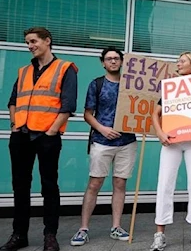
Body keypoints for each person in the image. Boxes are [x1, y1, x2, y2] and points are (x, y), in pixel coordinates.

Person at [0, 27, 78, 251]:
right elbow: (13, 100)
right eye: (27, 42)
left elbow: (68, 105)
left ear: (47, 41)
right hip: (21, 136)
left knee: (49, 186)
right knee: (20, 187)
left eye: (33, 41)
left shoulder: (65, 68)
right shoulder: (24, 71)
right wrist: (15, 125)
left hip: (47, 137)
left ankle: (50, 235)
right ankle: (19, 235)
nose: (29, 46)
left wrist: (51, 131)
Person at [149, 51, 191, 251]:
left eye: (182, 61)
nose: (178, 64)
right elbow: (155, 113)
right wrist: (160, 133)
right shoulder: (172, 87)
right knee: (164, 184)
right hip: (172, 141)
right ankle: (159, 234)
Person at [70, 47, 136, 246]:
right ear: (103, 62)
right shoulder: (96, 84)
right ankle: (83, 228)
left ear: (122, 61)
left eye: (116, 58)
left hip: (127, 142)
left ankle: (116, 227)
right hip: (102, 141)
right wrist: (103, 129)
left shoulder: (132, 85)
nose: (113, 61)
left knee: (120, 184)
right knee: (94, 184)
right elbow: (88, 113)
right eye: (109, 59)